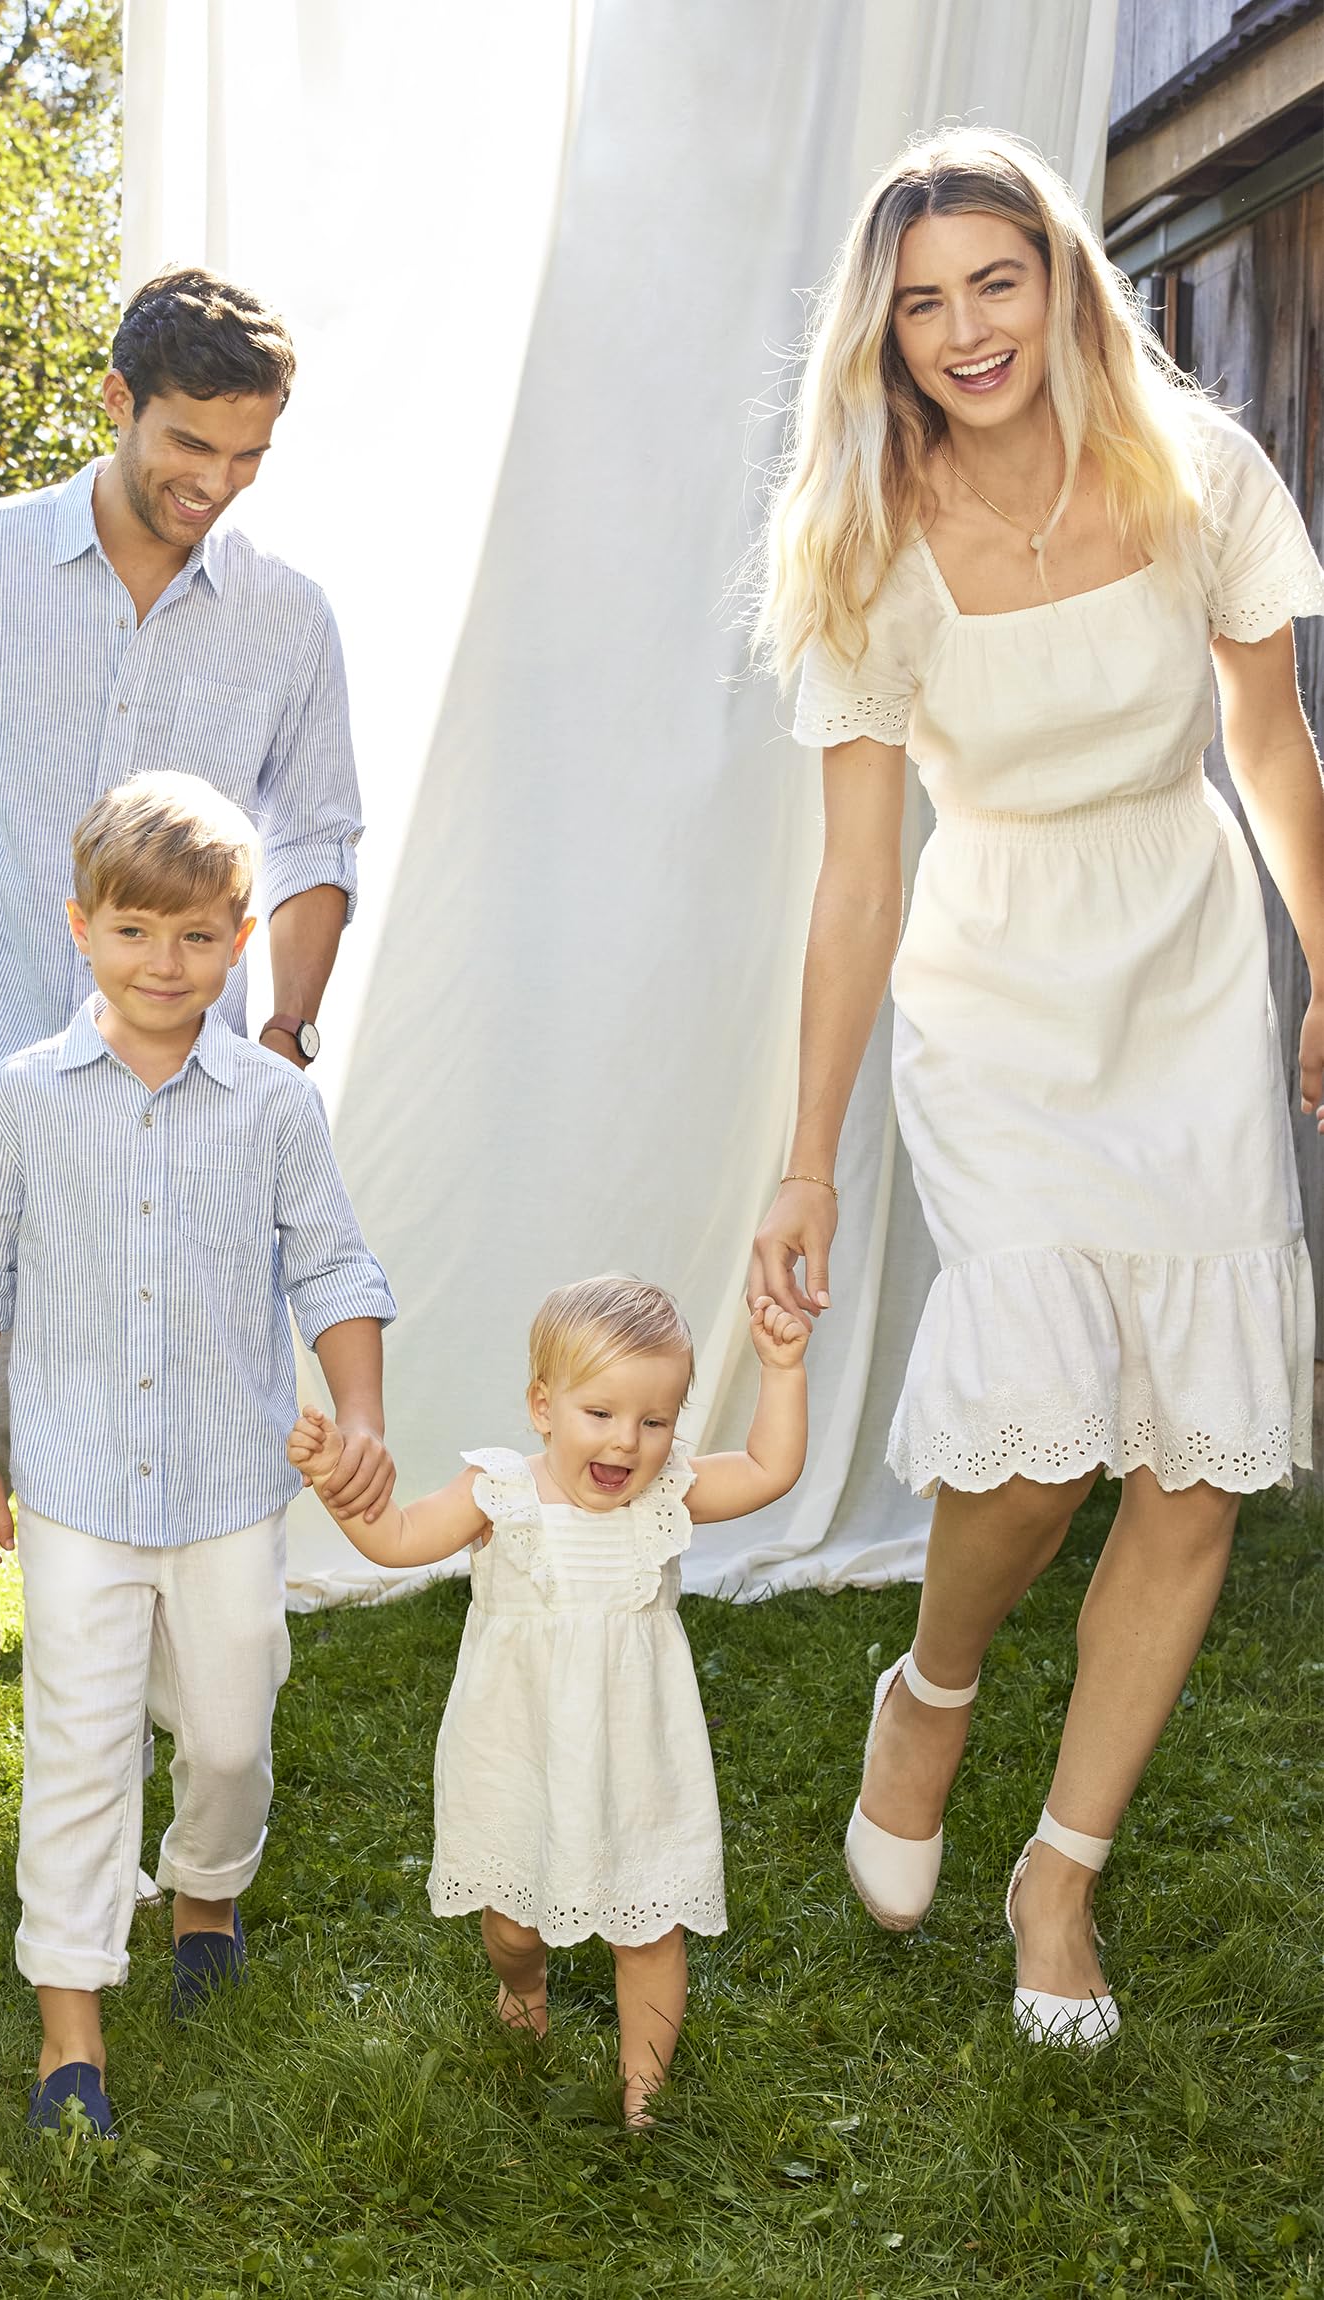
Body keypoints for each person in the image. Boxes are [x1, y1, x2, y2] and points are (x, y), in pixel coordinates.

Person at [748, 129, 1324, 2050]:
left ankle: (1058, 1874)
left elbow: (1268, 739)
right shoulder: (864, 542)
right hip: (994, 981)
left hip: (1185, 965)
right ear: (886, 333)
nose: (966, 329)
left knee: (1196, 1459)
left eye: (996, 281)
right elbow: (858, 880)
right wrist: (807, 1166)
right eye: (923, 303)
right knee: (1039, 1430)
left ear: (1064, 280)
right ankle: (932, 1690)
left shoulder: (1197, 472)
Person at [0, 266, 364, 1836]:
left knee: (150, 1382)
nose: (215, 484)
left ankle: (150, 1703)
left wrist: (287, 1028)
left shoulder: (285, 616)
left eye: (247, 457)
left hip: (182, 1090)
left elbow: (316, 838)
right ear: (117, 402)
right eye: (189, 444)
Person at [0, 773, 394, 2134]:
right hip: (74, 1486)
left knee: (230, 1733)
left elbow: (333, 1264)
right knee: (77, 1746)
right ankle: (68, 2035)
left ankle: (204, 1891)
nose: (163, 962)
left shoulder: (272, 1104)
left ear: (239, 941)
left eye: (196, 935)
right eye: (133, 931)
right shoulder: (21, 1097)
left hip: (228, 1485)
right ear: (81, 927)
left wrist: (358, 1411)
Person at [289, 1274, 809, 2127]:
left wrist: (781, 1369)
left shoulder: (666, 1492)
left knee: (650, 1925)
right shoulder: (500, 1493)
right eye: (599, 1413)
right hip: (519, 1745)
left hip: (638, 1750)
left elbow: (768, 1469)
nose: (627, 1442)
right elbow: (398, 1539)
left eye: (655, 1421)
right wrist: (331, 1482)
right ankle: (522, 1989)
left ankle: (644, 2090)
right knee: (513, 1925)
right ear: (543, 1406)